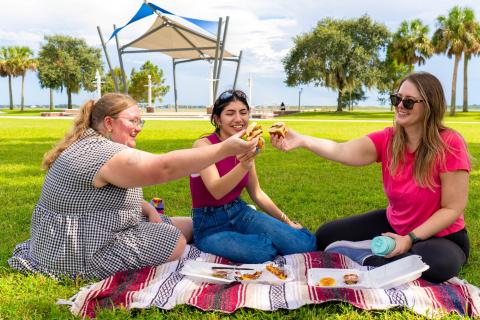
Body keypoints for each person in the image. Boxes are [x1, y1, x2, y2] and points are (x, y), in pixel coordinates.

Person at [8, 93, 256, 280]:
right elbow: (164, 167)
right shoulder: (101, 153)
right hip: (81, 252)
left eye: (141, 121)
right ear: (109, 123)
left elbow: (104, 196)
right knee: (175, 239)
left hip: (93, 230)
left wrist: (148, 210)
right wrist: (224, 149)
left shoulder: (90, 144)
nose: (138, 127)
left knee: (190, 224)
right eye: (133, 121)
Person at [270, 72, 470, 283]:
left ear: (430, 105)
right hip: (396, 225)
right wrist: (302, 140)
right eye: (397, 99)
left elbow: (452, 208)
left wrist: (408, 239)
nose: (400, 105)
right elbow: (341, 150)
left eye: (409, 102)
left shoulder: (449, 143)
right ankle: (386, 255)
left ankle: (378, 255)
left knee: (436, 264)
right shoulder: (389, 139)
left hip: (442, 236)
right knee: (325, 235)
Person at [189, 89, 317, 263]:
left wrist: (286, 221)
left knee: (304, 245)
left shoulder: (247, 144)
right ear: (218, 119)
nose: (238, 119)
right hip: (210, 225)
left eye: (243, 112)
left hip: (240, 211)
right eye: (230, 113)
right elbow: (216, 190)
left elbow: (257, 192)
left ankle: (260, 236)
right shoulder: (203, 145)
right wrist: (244, 165)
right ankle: (254, 240)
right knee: (263, 252)